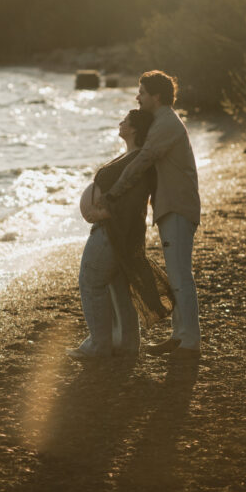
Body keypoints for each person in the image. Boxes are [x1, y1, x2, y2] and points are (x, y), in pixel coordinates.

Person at [104, 70, 201, 357]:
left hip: (178, 207)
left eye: (142, 92)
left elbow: (143, 160)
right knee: (177, 274)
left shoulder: (166, 123)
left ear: (156, 97)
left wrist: (115, 191)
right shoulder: (163, 122)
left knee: (181, 275)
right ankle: (180, 336)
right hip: (173, 207)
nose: (138, 97)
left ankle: (190, 341)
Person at [68, 109, 174, 361]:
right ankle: (127, 344)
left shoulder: (138, 161)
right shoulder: (133, 157)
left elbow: (132, 199)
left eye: (125, 120)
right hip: (118, 231)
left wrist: (102, 214)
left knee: (91, 282)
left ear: (135, 129)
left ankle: (99, 345)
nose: (120, 122)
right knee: (118, 286)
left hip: (112, 232)